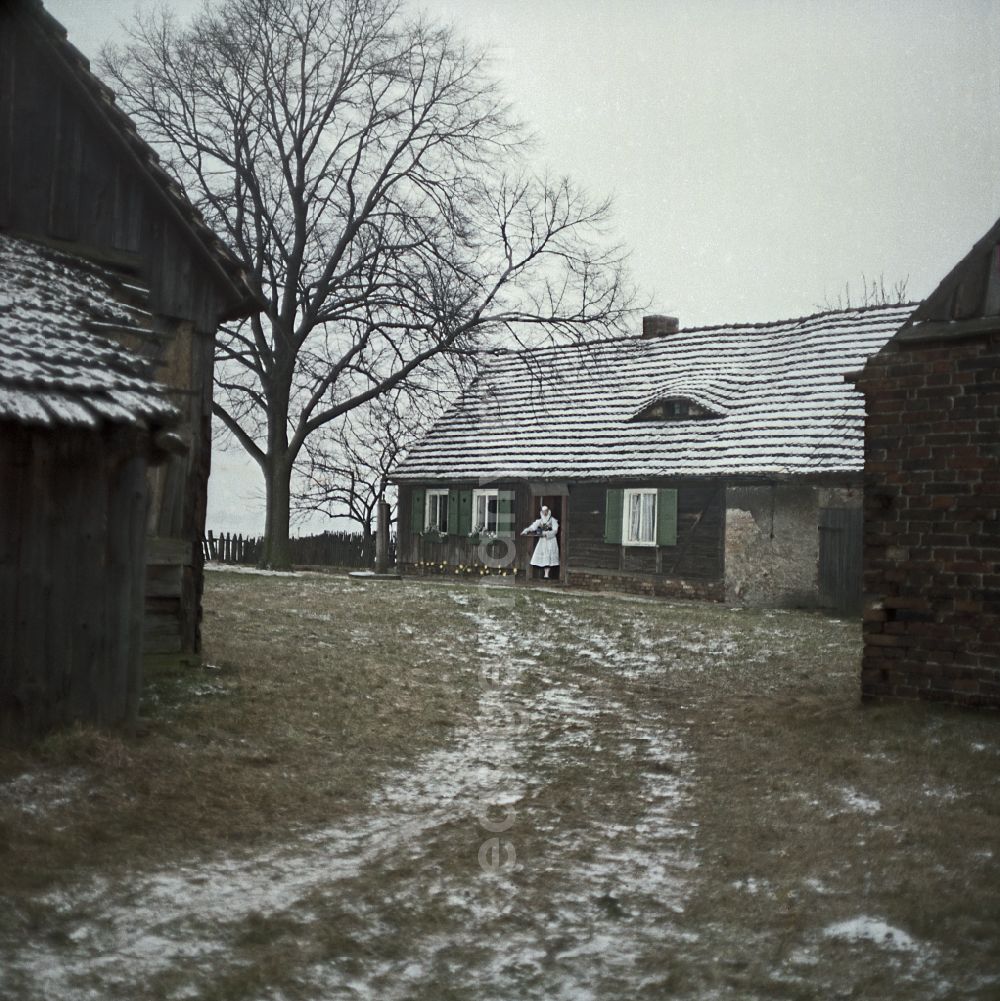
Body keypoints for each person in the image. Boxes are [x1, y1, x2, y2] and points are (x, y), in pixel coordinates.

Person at [521, 505, 559, 579]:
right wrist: (526, 530)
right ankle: (545, 574)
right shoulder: (540, 520)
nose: (545, 513)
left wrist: (547, 533)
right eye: (543, 511)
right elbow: (533, 527)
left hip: (550, 540)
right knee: (543, 555)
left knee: (549, 556)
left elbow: (555, 531)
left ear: (548, 511)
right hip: (543, 541)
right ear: (541, 512)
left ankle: (547, 574)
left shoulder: (553, 520)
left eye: (546, 511)